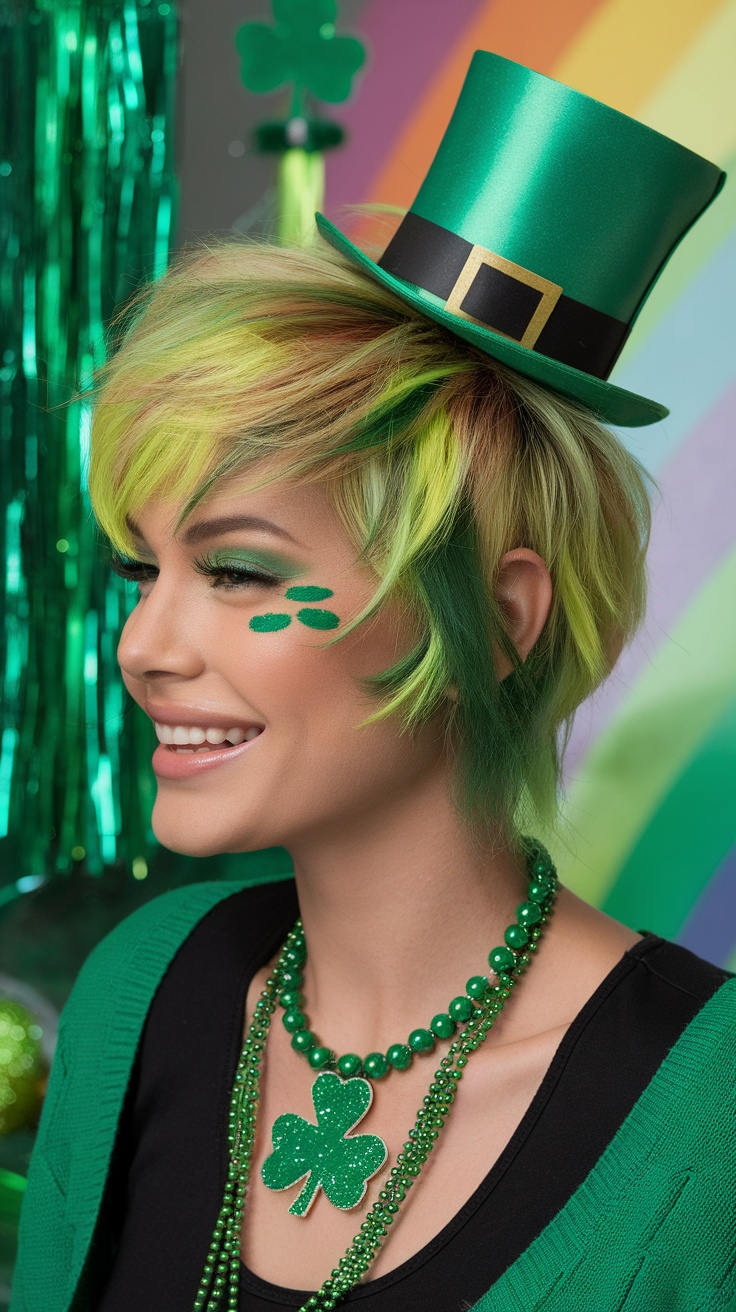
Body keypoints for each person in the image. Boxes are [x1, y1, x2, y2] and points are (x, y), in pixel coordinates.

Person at [11, 50, 734, 1312]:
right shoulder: (138, 991)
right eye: (143, 568)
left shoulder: (705, 1115)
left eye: (237, 572)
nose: (144, 645)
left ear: (498, 621)